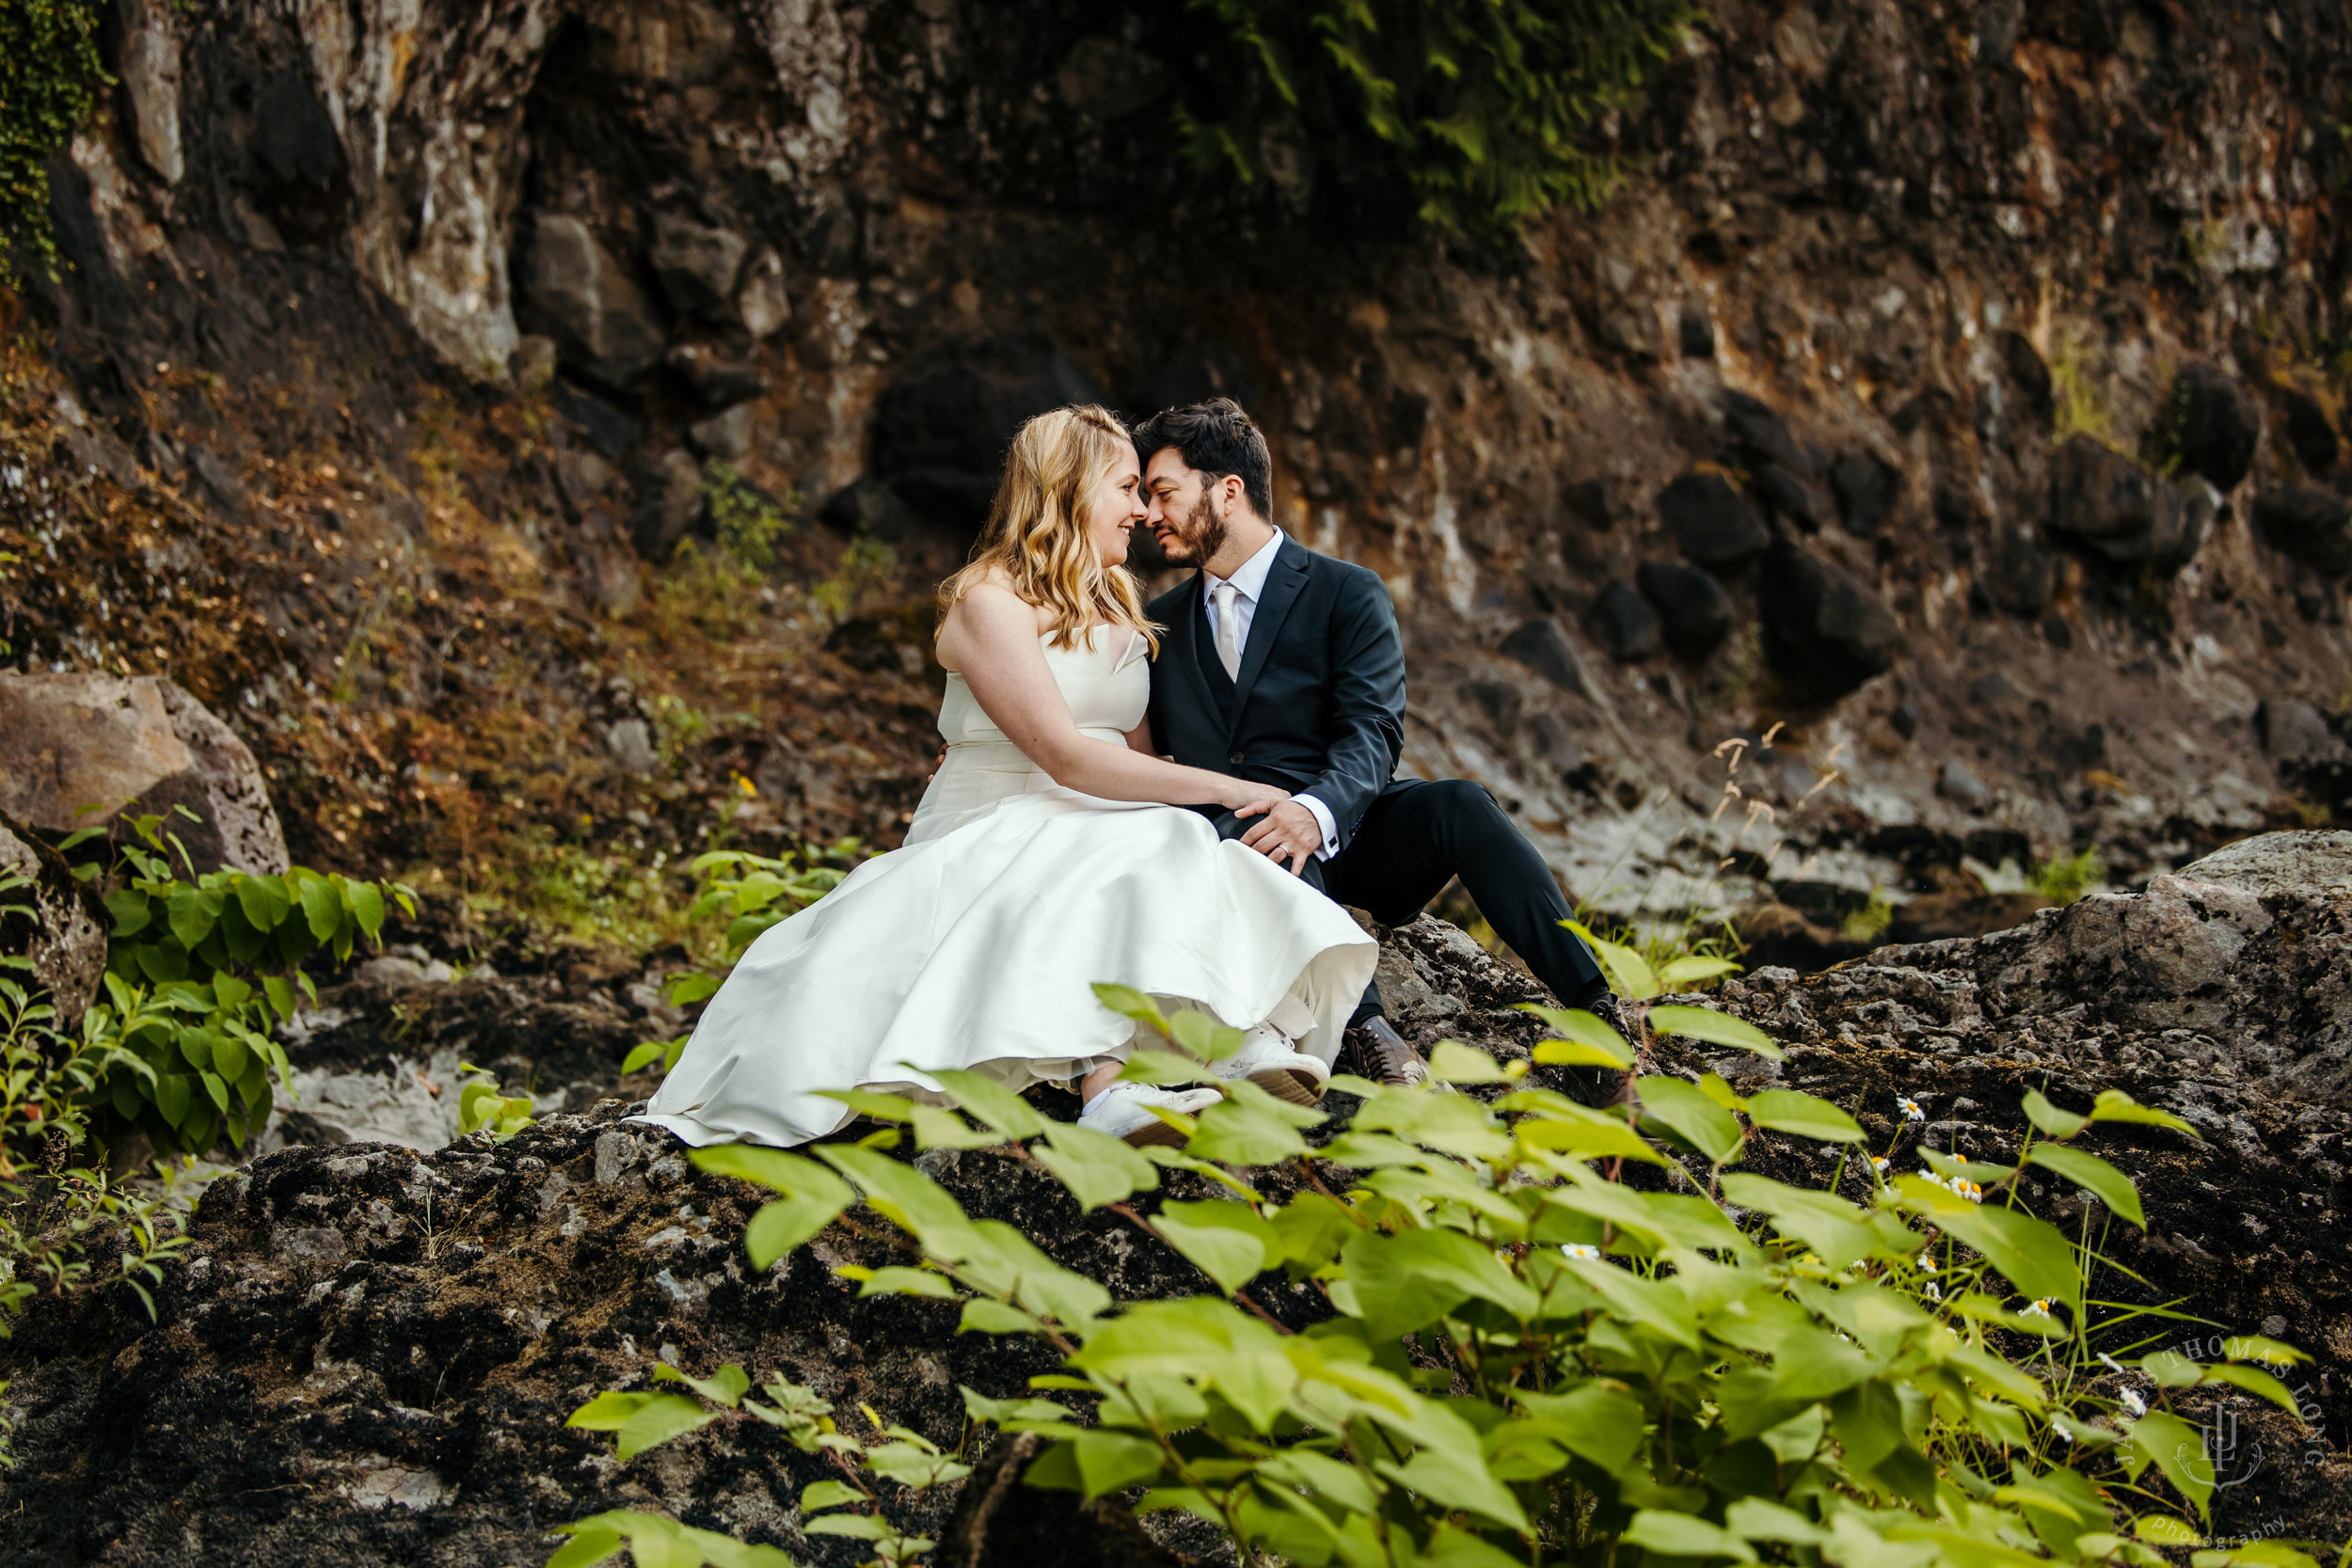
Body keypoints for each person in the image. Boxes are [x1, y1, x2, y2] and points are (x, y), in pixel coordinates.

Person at [633, 404, 1378, 1150]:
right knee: (1148, 836)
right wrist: (1228, 787)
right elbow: (1064, 754)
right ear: (1071, 486)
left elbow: (1141, 759)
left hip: (1092, 813)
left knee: (1172, 838)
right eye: (1126, 487)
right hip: (1002, 809)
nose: (1142, 510)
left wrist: (1193, 789)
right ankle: (1120, 1085)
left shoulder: (1122, 603)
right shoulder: (986, 601)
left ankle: (1232, 1035)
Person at [1135, 397, 1626, 1102]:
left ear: (1228, 491)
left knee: (1461, 804)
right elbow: (1125, 740)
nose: (1150, 512)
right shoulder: (1159, 625)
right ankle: (1372, 1034)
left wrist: (1316, 810)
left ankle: (1598, 1011)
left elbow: (1375, 730)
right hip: (1234, 851)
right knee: (1248, 829)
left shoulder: (1345, 592)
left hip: (1350, 834)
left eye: (1164, 493)